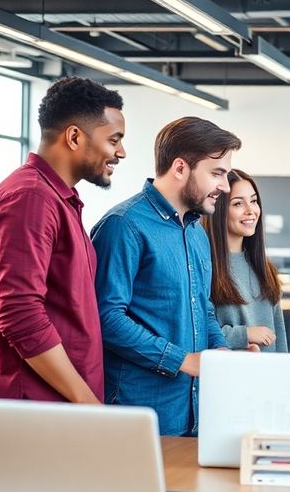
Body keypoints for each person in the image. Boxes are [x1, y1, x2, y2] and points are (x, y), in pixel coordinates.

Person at [0, 77, 125, 403]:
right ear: (75, 136)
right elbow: (20, 314)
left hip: (54, 409)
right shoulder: (31, 198)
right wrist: (87, 401)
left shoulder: (56, 199)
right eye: (114, 140)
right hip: (31, 408)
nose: (121, 152)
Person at [92, 117, 241, 436]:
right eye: (217, 173)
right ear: (179, 168)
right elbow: (106, 317)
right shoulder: (123, 225)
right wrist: (182, 360)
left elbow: (204, 308)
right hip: (140, 413)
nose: (225, 187)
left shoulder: (198, 233)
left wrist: (219, 351)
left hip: (194, 412)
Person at [202, 169, 287, 352]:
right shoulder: (204, 265)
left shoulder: (265, 268)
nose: (251, 211)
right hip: (226, 376)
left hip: (266, 377)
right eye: (238, 203)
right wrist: (244, 334)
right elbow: (196, 333)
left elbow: (279, 337)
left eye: (254, 201)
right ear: (219, 210)